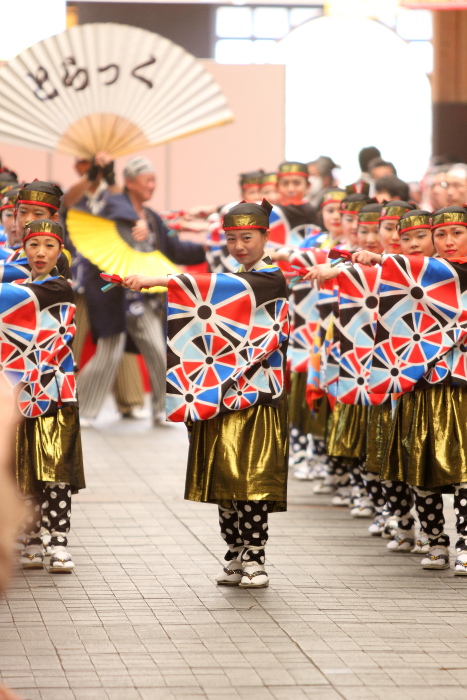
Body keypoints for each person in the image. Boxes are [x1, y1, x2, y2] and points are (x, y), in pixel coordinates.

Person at [124, 199, 289, 588]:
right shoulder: (230, 278)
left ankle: (256, 557)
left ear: (266, 236)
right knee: (223, 478)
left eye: (247, 237)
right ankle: (234, 553)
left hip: (255, 395)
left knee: (249, 477)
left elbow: (214, 291)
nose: (239, 246)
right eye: (232, 239)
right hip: (217, 391)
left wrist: (157, 280)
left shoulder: (271, 278)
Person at [77, 155, 206, 424]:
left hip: (146, 298)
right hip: (114, 296)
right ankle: (83, 410)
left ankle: (163, 409)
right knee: (108, 354)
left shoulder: (153, 218)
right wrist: (137, 227)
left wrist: (211, 248)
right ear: (131, 182)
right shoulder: (115, 207)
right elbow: (118, 219)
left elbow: (172, 244)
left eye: (154, 180)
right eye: (147, 180)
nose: (152, 185)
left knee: (159, 352)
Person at [1, 218, 84, 572]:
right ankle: (32, 539)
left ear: (60, 252)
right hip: (20, 393)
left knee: (56, 471)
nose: (40, 253)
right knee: (24, 470)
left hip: (55, 394)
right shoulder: (16, 286)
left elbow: (18, 299)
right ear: (23, 249)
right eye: (34, 245)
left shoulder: (60, 288)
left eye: (49, 246)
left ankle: (59, 543)